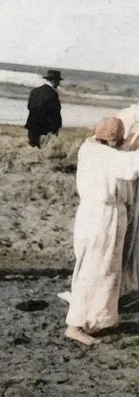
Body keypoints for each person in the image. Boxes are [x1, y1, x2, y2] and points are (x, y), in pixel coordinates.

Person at [65, 117, 139, 345]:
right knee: (96, 269)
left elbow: (122, 158)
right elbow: (130, 168)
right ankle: (75, 325)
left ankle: (95, 319)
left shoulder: (90, 148)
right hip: (103, 216)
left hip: (92, 214)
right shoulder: (107, 156)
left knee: (102, 269)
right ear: (113, 140)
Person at [115, 103, 139, 297]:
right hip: (127, 181)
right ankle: (123, 285)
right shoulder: (128, 116)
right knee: (127, 232)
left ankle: (130, 281)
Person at [25, 69, 62, 148]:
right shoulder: (53, 94)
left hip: (32, 123)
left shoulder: (35, 91)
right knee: (45, 147)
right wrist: (57, 126)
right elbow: (55, 112)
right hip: (45, 126)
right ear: (54, 81)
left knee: (32, 146)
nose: (59, 83)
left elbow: (29, 106)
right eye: (58, 81)